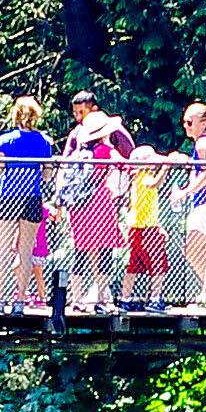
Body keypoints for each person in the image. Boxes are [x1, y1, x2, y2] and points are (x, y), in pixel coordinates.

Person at [65, 93, 129, 311]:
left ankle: (76, 298)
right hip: (99, 205)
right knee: (104, 251)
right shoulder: (107, 151)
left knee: (80, 251)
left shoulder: (79, 154)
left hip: (78, 207)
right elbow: (127, 166)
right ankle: (101, 298)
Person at [0, 97, 55, 316]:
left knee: (2, 249)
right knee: (26, 251)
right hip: (31, 197)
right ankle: (20, 300)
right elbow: (47, 175)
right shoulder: (44, 142)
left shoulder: (4, 140)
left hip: (7, 196)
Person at [123, 136, 171, 312]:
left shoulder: (136, 179)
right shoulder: (143, 177)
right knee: (158, 263)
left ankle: (126, 298)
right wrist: (165, 169)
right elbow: (154, 183)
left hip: (139, 226)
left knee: (133, 264)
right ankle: (155, 298)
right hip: (145, 228)